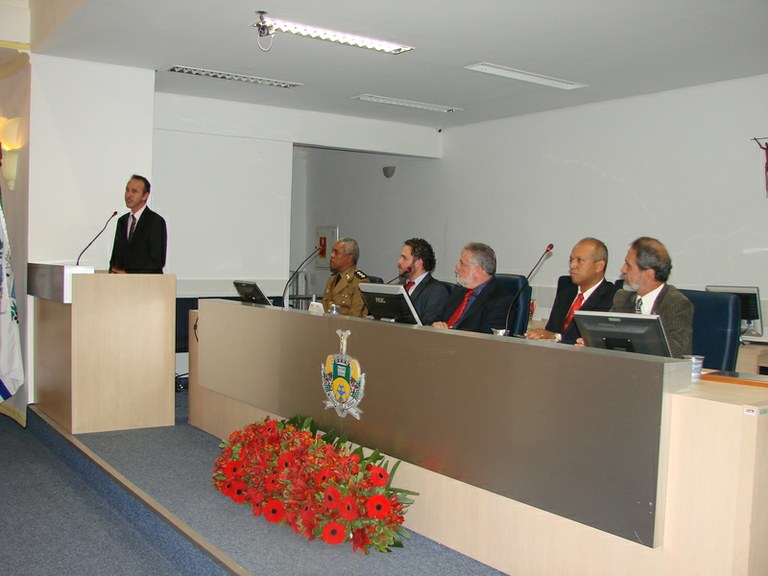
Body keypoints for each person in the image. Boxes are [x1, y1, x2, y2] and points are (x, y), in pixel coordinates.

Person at [611, 236, 693, 358]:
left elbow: (676, 351)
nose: (623, 270)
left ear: (648, 274)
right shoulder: (622, 297)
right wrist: (591, 341)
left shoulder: (676, 303)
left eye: (628, 265)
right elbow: (608, 333)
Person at [525, 238, 616, 344]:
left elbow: (594, 342)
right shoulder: (565, 293)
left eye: (580, 260)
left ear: (599, 266)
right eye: (571, 260)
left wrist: (556, 337)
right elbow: (550, 331)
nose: (572, 265)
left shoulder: (612, 298)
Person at [432, 242, 512, 334]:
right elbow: (440, 318)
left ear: (477, 270)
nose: (457, 266)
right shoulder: (459, 290)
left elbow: (489, 337)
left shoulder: (500, 301)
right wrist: (436, 325)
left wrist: (451, 335)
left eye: (462, 263)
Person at [109, 174, 167, 274]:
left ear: (145, 196)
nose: (128, 195)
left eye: (134, 191)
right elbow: (115, 257)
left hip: (147, 282)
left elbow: (156, 261)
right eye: (127, 190)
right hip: (121, 282)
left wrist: (129, 275)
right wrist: (114, 270)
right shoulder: (122, 221)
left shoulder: (156, 221)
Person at [396, 238, 450, 325]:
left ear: (418, 263)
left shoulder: (436, 291)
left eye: (404, 258)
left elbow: (428, 325)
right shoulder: (399, 287)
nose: (399, 261)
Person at [321, 238, 370, 317]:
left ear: (349, 257)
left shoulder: (359, 281)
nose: (332, 255)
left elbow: (355, 316)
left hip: (345, 324)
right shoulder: (332, 279)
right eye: (332, 251)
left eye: (336, 252)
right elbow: (323, 308)